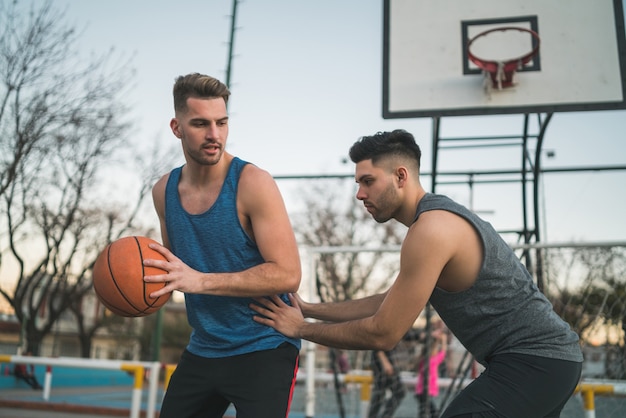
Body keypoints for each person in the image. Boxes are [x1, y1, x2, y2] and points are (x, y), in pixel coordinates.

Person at [251, 129, 583, 418]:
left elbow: (383, 333)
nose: (359, 194)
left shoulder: (430, 230)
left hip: (534, 362)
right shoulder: (433, 222)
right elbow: (386, 302)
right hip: (547, 363)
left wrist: (300, 328)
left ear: (400, 176)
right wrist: (309, 309)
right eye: (358, 183)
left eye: (368, 181)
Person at [142, 73, 301, 418]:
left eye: (222, 122)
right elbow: (175, 273)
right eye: (200, 124)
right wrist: (138, 287)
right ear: (177, 127)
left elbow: (288, 274)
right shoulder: (163, 192)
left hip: (265, 346)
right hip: (204, 347)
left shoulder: (253, 183)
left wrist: (200, 281)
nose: (215, 135)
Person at [415, 328, 447, 417]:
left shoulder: (423, 359)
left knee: (423, 412)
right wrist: (442, 340)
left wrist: (436, 339)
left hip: (421, 391)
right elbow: (443, 352)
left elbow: (434, 349)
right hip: (425, 391)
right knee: (434, 413)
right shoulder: (432, 360)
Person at [368, 348, 406, 418]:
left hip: (387, 358)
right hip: (381, 362)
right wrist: (384, 361)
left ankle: (380, 415)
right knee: (397, 392)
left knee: (380, 395)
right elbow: (377, 343)